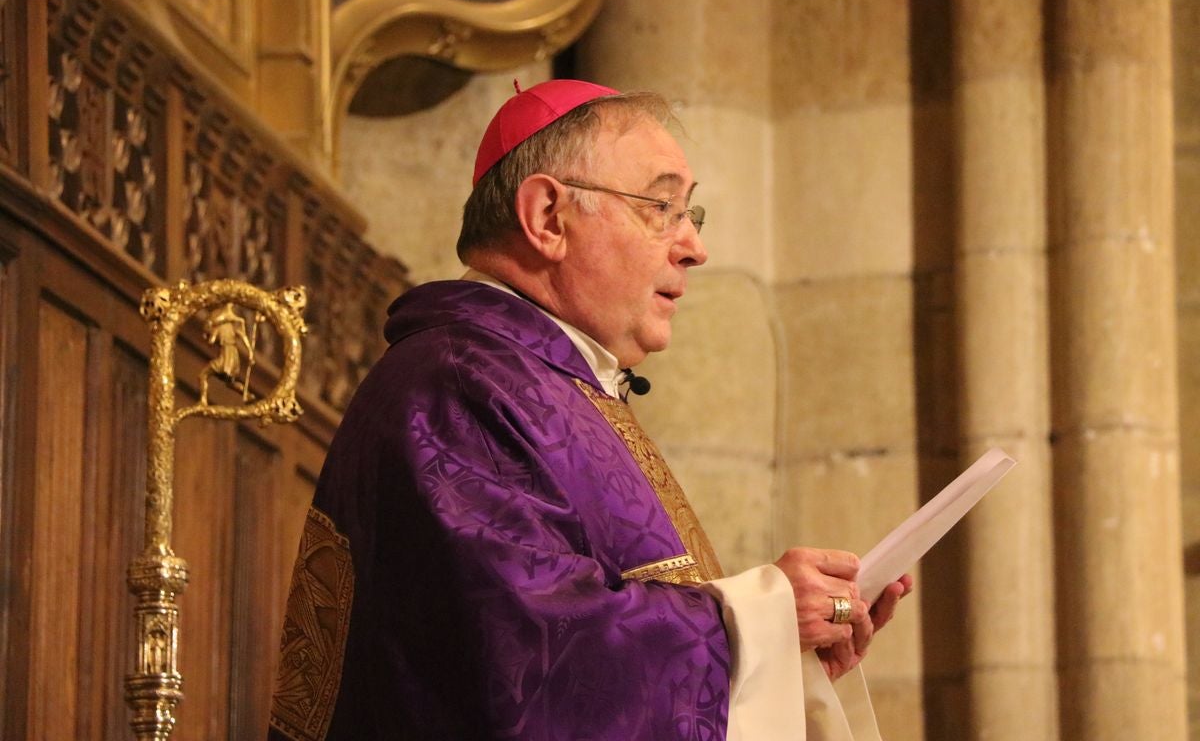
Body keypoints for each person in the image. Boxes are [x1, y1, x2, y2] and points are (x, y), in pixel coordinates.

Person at [267, 80, 912, 741]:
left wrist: (780, 663)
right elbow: (530, 671)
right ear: (547, 216)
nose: (694, 246)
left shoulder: (542, 385)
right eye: (660, 206)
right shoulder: (458, 386)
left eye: (692, 213)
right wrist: (762, 621)